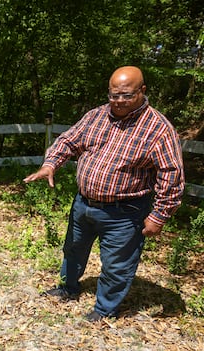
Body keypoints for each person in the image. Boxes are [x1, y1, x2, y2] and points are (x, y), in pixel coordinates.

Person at [23, 66, 184, 322]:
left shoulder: (158, 129)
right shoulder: (97, 115)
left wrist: (160, 215)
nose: (118, 101)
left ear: (142, 91)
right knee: (73, 249)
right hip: (84, 203)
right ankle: (68, 288)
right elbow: (68, 140)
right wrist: (50, 163)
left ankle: (105, 310)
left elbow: (172, 174)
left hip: (125, 212)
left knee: (116, 265)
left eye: (126, 95)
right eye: (113, 95)